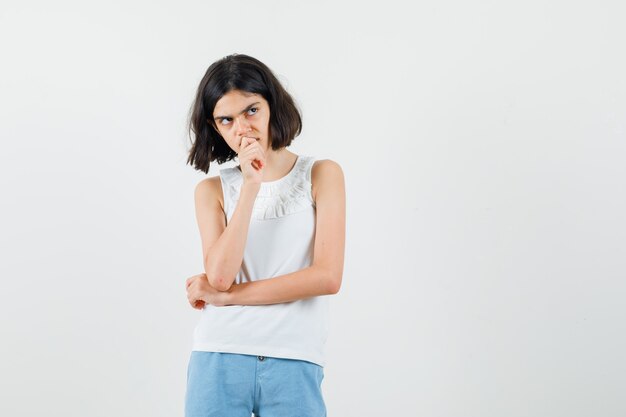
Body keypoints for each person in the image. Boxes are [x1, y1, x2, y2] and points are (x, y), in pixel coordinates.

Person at [183, 53, 346, 417]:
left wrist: (228, 297)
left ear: (272, 105)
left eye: (251, 111)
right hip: (219, 355)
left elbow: (327, 277)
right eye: (227, 119)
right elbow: (221, 276)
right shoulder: (211, 191)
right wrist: (250, 185)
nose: (242, 128)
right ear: (215, 127)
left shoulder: (322, 174)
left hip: (294, 358)